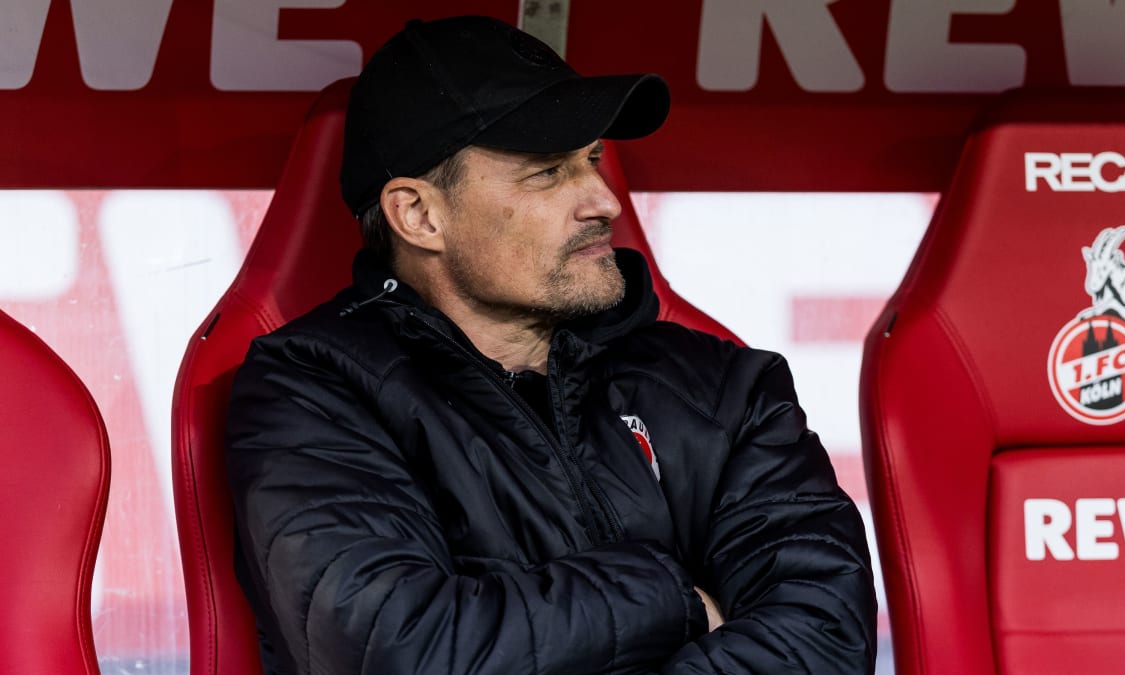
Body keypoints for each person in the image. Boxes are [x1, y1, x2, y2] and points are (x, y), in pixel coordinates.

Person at [226, 15, 876, 675]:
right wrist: (673, 596)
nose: (604, 201)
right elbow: (397, 649)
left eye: (590, 160)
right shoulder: (312, 391)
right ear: (419, 215)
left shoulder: (726, 385)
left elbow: (823, 638)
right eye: (546, 173)